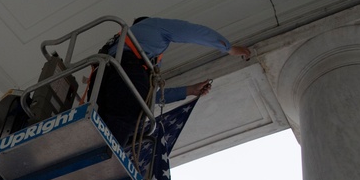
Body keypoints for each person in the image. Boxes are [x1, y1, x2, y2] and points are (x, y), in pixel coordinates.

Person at [94, 16, 251, 145]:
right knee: (122, 127)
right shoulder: (154, 26)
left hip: (100, 78)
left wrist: (190, 90)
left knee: (100, 128)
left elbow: (149, 96)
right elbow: (194, 32)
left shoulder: (117, 42)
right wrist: (229, 48)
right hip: (127, 72)